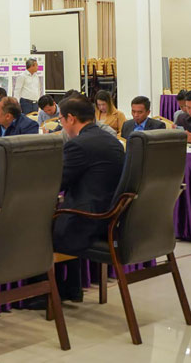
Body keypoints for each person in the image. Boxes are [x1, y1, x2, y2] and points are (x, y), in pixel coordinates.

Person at [51, 94, 126, 303]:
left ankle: (48, 292)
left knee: (39, 227)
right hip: (111, 216)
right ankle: (73, 286)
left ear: (71, 118)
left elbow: (57, 184)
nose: (61, 124)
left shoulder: (78, 145)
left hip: (88, 221)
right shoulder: (112, 141)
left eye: (61, 119)